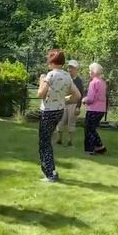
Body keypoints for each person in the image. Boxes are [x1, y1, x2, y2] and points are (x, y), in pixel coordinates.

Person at [37, 49, 81, 182]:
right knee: (46, 140)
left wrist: (41, 80)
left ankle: (51, 174)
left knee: (44, 143)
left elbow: (40, 94)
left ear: (51, 61)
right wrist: (63, 99)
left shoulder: (50, 75)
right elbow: (77, 95)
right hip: (59, 111)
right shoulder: (67, 76)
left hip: (48, 111)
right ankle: (48, 171)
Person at [56, 59, 84, 146]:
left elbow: (80, 95)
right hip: (63, 103)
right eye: (69, 67)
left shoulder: (79, 81)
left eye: (71, 67)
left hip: (73, 104)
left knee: (71, 123)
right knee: (60, 121)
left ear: (76, 69)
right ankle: (59, 139)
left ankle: (70, 141)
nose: (69, 69)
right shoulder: (65, 79)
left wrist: (78, 107)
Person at [82, 63, 108, 155]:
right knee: (92, 129)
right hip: (101, 110)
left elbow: (91, 99)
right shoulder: (102, 82)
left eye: (90, 70)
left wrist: (84, 100)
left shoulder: (93, 82)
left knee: (89, 129)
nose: (89, 72)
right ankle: (100, 147)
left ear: (93, 71)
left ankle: (89, 149)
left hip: (93, 109)